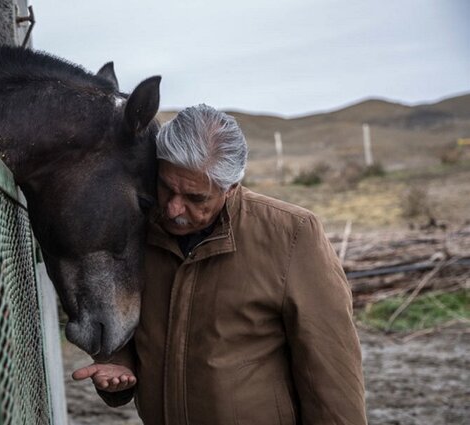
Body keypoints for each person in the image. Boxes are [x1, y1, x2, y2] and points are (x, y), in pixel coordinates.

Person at [72, 104, 367, 424]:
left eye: (195, 198)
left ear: (231, 188)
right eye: (166, 187)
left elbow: (330, 365)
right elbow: (120, 313)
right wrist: (120, 362)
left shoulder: (292, 234)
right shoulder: (135, 229)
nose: (173, 209)